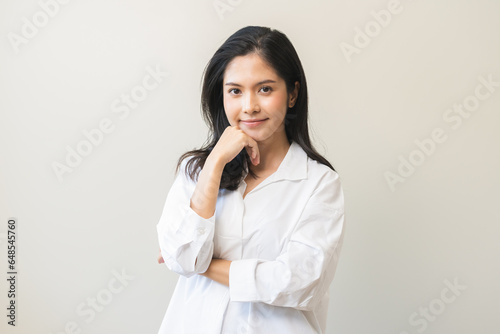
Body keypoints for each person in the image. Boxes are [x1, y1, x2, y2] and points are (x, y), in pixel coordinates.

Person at [156, 25, 345, 334]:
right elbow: (182, 256)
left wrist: (202, 265)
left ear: (293, 93)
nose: (249, 106)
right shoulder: (196, 170)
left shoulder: (319, 183)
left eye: (265, 89)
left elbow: (299, 283)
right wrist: (215, 161)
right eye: (235, 91)